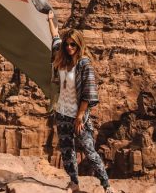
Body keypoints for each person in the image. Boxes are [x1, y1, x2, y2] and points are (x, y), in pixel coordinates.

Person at [47, 10, 113, 193]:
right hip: (61, 113)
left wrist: (80, 115)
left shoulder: (84, 64)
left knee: (89, 151)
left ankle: (107, 186)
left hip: (78, 116)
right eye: (67, 44)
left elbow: (88, 92)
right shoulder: (62, 58)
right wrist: (50, 20)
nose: (69, 47)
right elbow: (55, 37)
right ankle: (74, 183)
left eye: (73, 45)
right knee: (67, 151)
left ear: (79, 45)